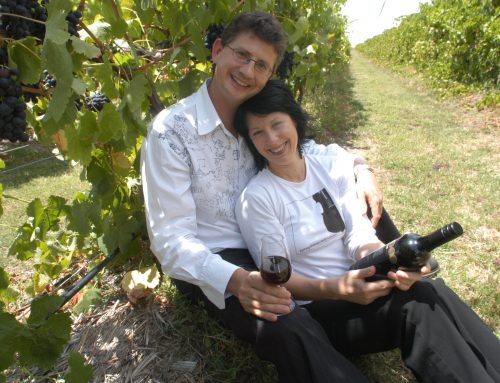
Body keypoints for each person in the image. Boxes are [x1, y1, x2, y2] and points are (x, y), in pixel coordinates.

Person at [141, 10, 380, 381]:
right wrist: (236, 279)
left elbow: (311, 149)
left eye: (261, 65)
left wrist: (361, 168)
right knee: (285, 322)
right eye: (242, 55)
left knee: (367, 212)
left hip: (273, 232)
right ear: (218, 50)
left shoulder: (255, 113)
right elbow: (171, 241)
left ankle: (405, 297)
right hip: (222, 256)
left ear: (270, 74)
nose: (248, 71)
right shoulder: (171, 134)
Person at [234, 79, 500, 382]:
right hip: (321, 311)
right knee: (414, 307)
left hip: (362, 283)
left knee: (429, 290)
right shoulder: (257, 198)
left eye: (276, 123)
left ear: (294, 118)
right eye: (258, 133)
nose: (272, 138)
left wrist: (384, 259)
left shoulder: (329, 163)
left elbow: (357, 233)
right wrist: (338, 287)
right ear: (250, 142)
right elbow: (281, 280)